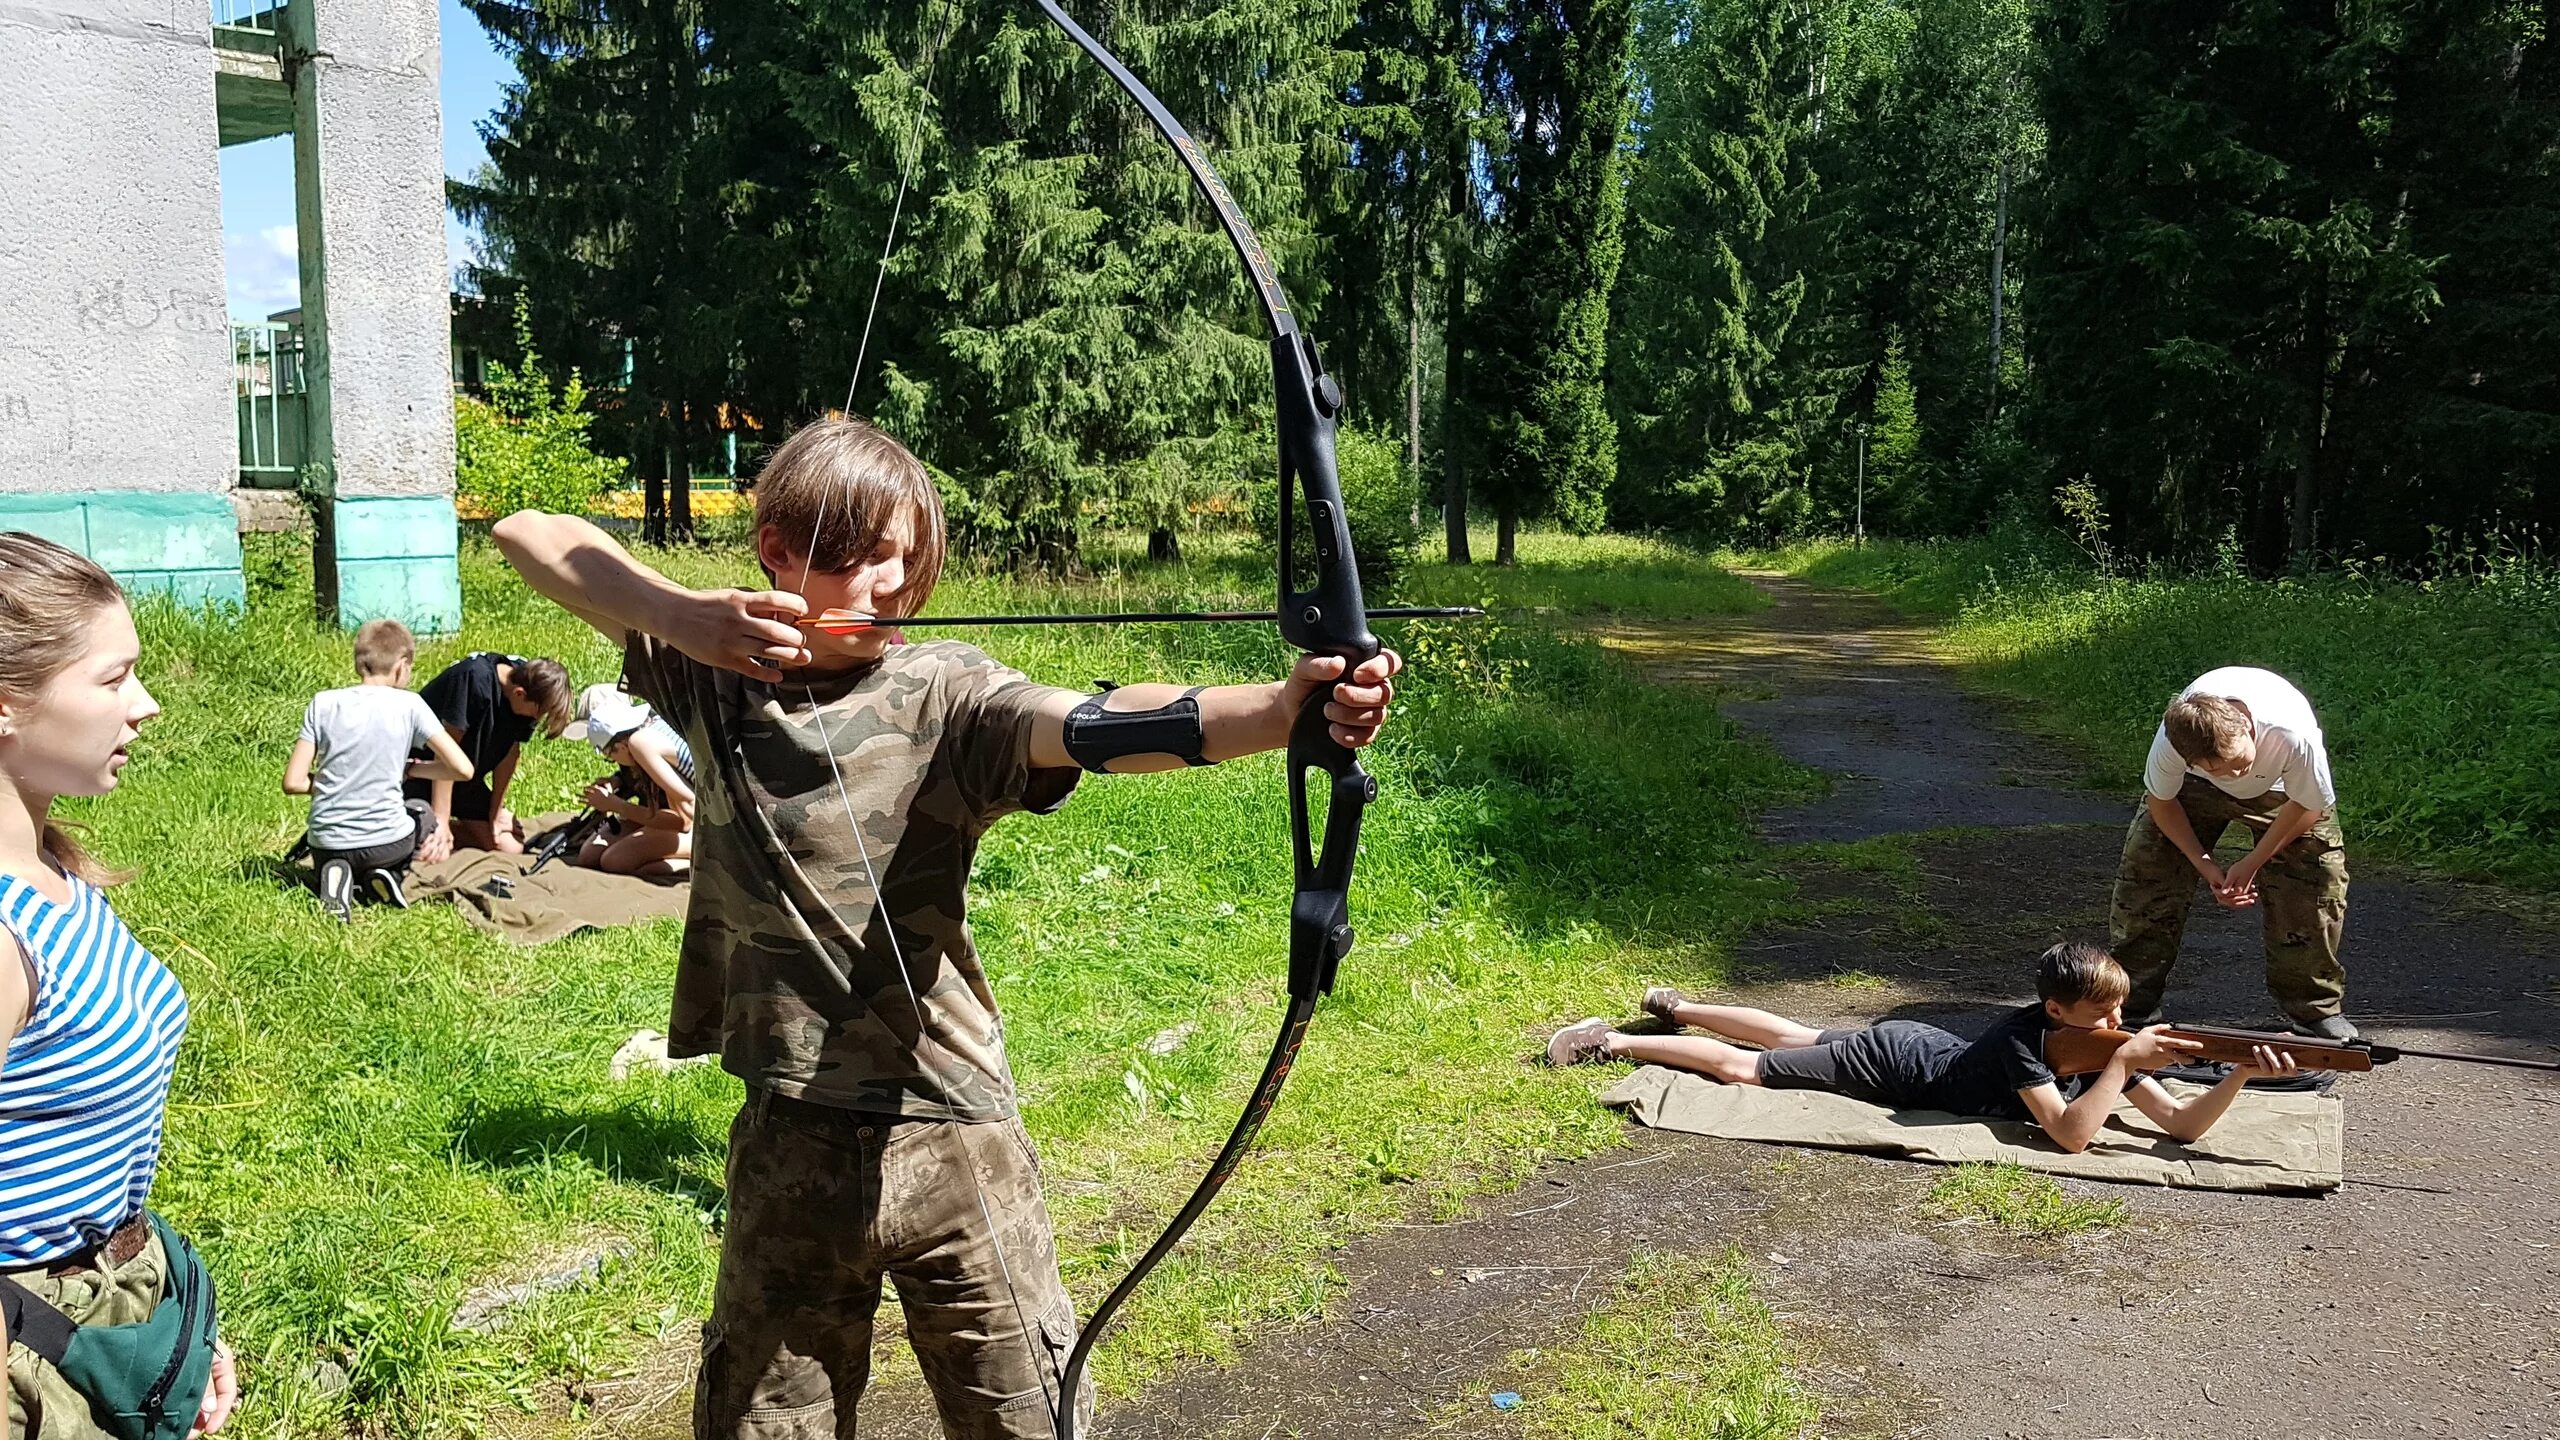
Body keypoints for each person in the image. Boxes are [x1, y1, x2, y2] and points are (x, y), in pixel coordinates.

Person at [490, 417, 1403, 1440]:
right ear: (777, 553)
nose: (884, 584)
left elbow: (1090, 726)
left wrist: (1283, 711)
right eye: (851, 556)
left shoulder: (949, 692)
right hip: (786, 1131)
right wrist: (677, 613)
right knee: (761, 1424)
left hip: (953, 1131)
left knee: (1020, 1417)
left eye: (904, 558)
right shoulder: (712, 671)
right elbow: (525, 531)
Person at [0, 532, 238, 1440]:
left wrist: (167, 1321)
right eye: (112, 679)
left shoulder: (53, 872)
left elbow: (75, 1141)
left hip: (106, 1307)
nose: (146, 705)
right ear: (5, 705)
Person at [1545, 943, 2299, 1154]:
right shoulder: (2023, 1045)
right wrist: (2126, 1065)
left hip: (1924, 1047)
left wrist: (2234, 1073)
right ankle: (1614, 1040)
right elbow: (2071, 1137)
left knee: (1793, 1033)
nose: (2119, 1024)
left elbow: (2183, 1129)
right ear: (2056, 1008)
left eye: (2123, 1013)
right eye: (2105, 1014)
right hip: (1896, 1065)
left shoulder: (2092, 1044)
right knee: (1754, 1068)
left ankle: (1674, 1004)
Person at [2110, 665, 2353, 1039]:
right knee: (2147, 876)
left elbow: (2309, 807)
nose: (2233, 778)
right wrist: (2203, 863)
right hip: (2192, 791)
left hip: (2282, 791)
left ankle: (2315, 1011)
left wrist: (2253, 862)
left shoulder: (2293, 734)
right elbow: (2163, 803)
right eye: (2219, 770)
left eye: (2238, 764)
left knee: (2317, 879)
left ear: (2245, 725)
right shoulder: (2173, 742)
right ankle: (2130, 1007)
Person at [282, 619, 476, 919]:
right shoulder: (410, 705)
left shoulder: (322, 703)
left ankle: (338, 872)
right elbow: (463, 770)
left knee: (337, 851)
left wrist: (335, 782)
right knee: (421, 811)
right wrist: (413, 770)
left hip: (326, 844)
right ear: (401, 665)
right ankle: (387, 874)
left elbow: (293, 782)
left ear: (359, 662)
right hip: (386, 844)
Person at [402, 650, 573, 859]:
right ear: (519, 693)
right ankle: (420, 827)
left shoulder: (530, 686)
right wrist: (441, 819)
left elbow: (510, 754)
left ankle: (444, 832)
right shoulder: (473, 680)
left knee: (510, 848)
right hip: (422, 771)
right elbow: (444, 753)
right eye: (539, 714)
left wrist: (495, 811)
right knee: (434, 852)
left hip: (465, 780)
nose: (537, 719)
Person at [570, 684, 695, 878]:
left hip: (703, 826)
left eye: (610, 756)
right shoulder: (640, 734)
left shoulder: (641, 743)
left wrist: (617, 805)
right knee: (590, 855)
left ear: (620, 746)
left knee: (615, 860)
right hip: (667, 817)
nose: (614, 762)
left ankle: (696, 861)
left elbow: (684, 819)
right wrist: (616, 783)